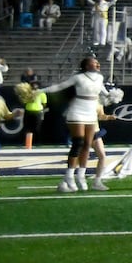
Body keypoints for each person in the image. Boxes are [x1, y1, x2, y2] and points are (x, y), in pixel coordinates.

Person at [44, 56, 106, 192]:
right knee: (78, 143)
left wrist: (112, 96)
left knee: (87, 145)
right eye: (94, 63)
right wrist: (40, 91)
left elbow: (103, 91)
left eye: (97, 62)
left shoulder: (100, 78)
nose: (97, 64)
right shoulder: (78, 78)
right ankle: (70, 175)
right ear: (87, 66)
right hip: (77, 111)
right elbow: (60, 86)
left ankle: (81, 175)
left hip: (91, 114)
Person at [15, 72, 48, 149]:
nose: (34, 85)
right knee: (27, 127)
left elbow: (44, 103)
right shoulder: (27, 93)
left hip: (37, 112)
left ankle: (37, 142)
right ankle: (26, 142)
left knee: (37, 128)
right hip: (28, 111)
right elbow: (23, 101)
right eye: (33, 84)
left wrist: (40, 109)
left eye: (36, 84)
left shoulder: (41, 93)